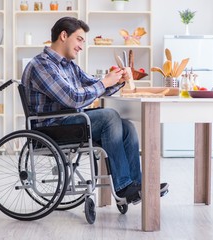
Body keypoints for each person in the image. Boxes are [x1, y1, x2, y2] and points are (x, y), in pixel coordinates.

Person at [21, 17, 168, 204]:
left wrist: (118, 80)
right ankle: (123, 186)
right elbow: (73, 98)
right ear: (64, 35)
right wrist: (104, 82)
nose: (81, 46)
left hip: (69, 122)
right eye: (80, 39)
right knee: (109, 116)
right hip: (51, 128)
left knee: (127, 126)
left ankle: (136, 186)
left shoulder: (69, 66)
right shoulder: (41, 65)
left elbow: (94, 86)